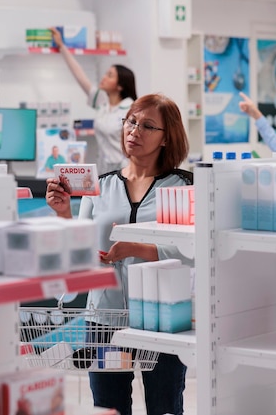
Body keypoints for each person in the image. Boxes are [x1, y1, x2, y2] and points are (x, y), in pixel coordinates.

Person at [45, 93, 191, 415]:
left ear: (167, 138)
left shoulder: (184, 188)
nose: (134, 131)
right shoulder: (99, 186)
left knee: (165, 407)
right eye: (131, 121)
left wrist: (137, 249)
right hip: (104, 321)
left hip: (163, 319)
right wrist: (63, 215)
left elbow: (194, 254)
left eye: (147, 126)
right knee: (108, 408)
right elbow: (78, 253)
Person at [50, 27, 138, 174]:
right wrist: (61, 47)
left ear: (121, 85)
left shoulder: (132, 109)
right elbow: (80, 76)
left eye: (110, 75)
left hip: (126, 171)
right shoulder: (102, 103)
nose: (104, 77)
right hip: (103, 171)